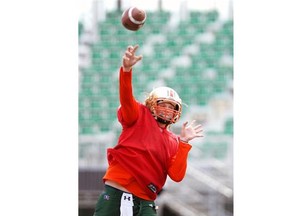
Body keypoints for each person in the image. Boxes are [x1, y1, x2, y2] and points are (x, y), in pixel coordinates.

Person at [93, 45, 204, 216]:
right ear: (152, 105)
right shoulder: (138, 115)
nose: (168, 110)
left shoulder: (174, 140)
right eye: (163, 105)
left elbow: (176, 175)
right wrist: (127, 70)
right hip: (117, 192)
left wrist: (184, 143)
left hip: (145, 199)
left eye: (172, 107)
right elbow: (126, 97)